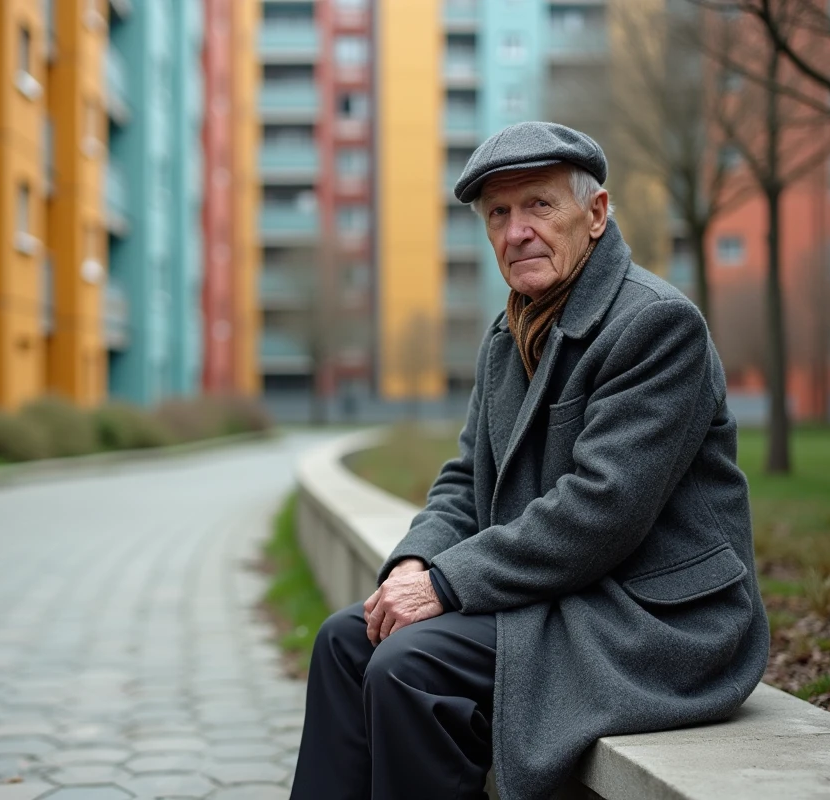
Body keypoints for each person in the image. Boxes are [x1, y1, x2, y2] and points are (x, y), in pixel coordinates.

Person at [289, 121, 770, 800]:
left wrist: (447, 585)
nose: (516, 231)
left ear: (596, 213)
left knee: (408, 663)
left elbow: (600, 511)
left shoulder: (655, 324)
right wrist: (414, 561)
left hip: (652, 620)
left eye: (539, 205)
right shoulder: (511, 329)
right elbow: (463, 478)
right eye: (498, 214)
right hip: (566, 594)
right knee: (346, 641)